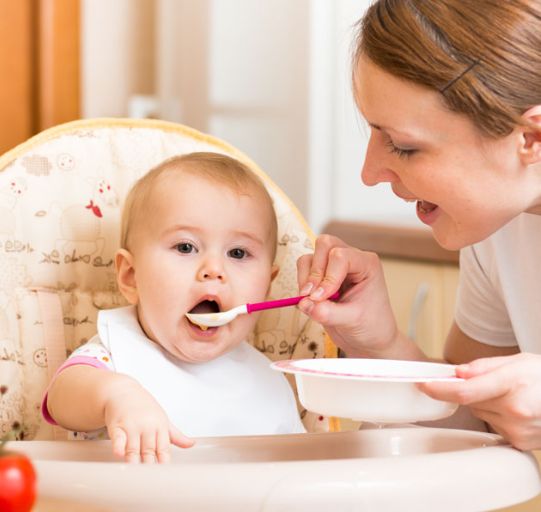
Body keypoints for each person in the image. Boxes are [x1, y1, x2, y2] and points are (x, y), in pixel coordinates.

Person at [297, 0, 541, 450]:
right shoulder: (499, 228)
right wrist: (380, 345)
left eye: (404, 147)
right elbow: (474, 423)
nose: (369, 173)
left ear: (530, 138)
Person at [43, 152, 305, 463]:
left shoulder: (270, 381)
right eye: (185, 247)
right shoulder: (113, 357)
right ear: (130, 276)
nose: (214, 269)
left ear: (267, 287)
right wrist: (116, 396)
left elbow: (296, 471)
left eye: (237, 252)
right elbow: (62, 399)